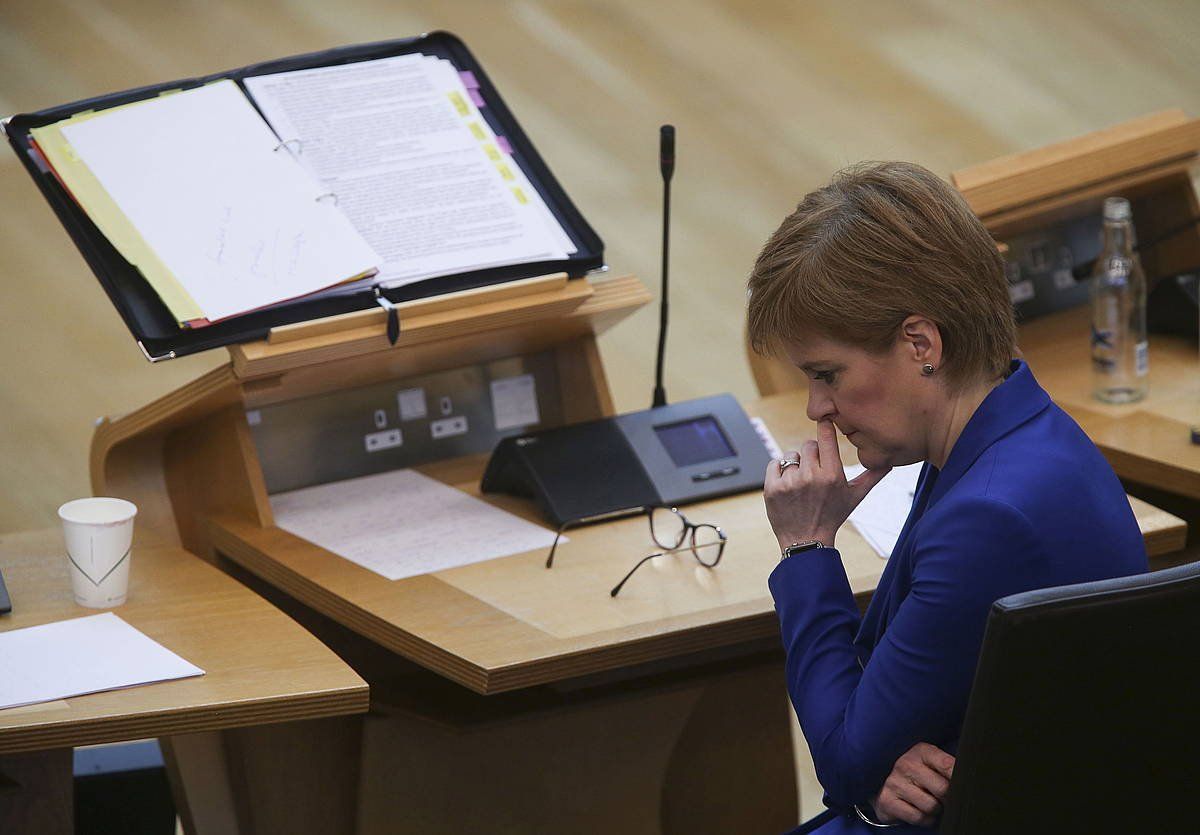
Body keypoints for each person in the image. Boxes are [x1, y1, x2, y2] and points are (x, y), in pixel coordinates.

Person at [745, 161, 1148, 833]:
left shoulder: (987, 515)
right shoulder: (1016, 426)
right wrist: (879, 767)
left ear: (921, 344)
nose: (818, 407)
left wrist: (807, 549)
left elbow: (844, 765)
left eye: (827, 373)